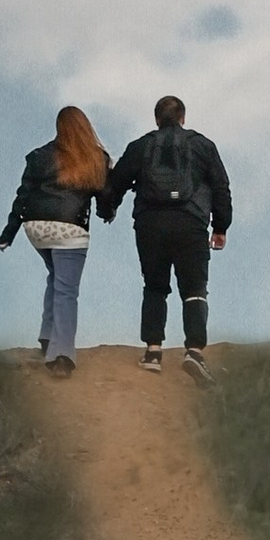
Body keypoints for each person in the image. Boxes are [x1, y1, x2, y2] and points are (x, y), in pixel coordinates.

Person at [99, 94, 233, 377]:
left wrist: (107, 209)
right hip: (191, 222)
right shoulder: (203, 145)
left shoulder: (141, 146)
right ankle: (194, 351)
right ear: (183, 117)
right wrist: (221, 226)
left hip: (150, 223)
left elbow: (116, 182)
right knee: (194, 289)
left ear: (157, 119)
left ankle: (153, 352)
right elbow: (221, 187)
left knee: (154, 286)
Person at [0, 105, 111, 376]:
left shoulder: (39, 156)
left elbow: (22, 196)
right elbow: (105, 195)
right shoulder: (96, 157)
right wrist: (107, 213)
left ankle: (47, 336)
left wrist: (8, 234)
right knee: (66, 290)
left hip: (36, 229)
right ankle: (61, 357)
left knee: (56, 276)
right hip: (70, 230)